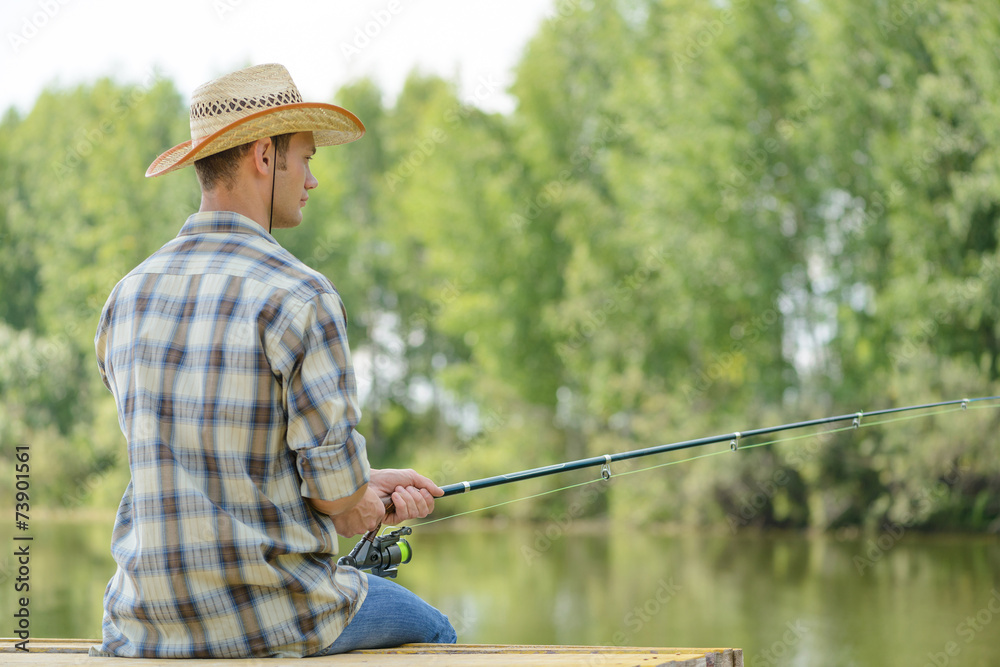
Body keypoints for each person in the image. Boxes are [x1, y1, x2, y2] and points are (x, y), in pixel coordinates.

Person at [92, 63, 456, 658]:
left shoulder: (126, 296)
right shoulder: (300, 294)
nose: (311, 180)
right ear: (265, 156)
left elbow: (206, 456)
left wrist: (360, 486)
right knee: (437, 631)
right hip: (274, 615)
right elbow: (336, 501)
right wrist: (359, 498)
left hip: (141, 623)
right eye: (306, 158)